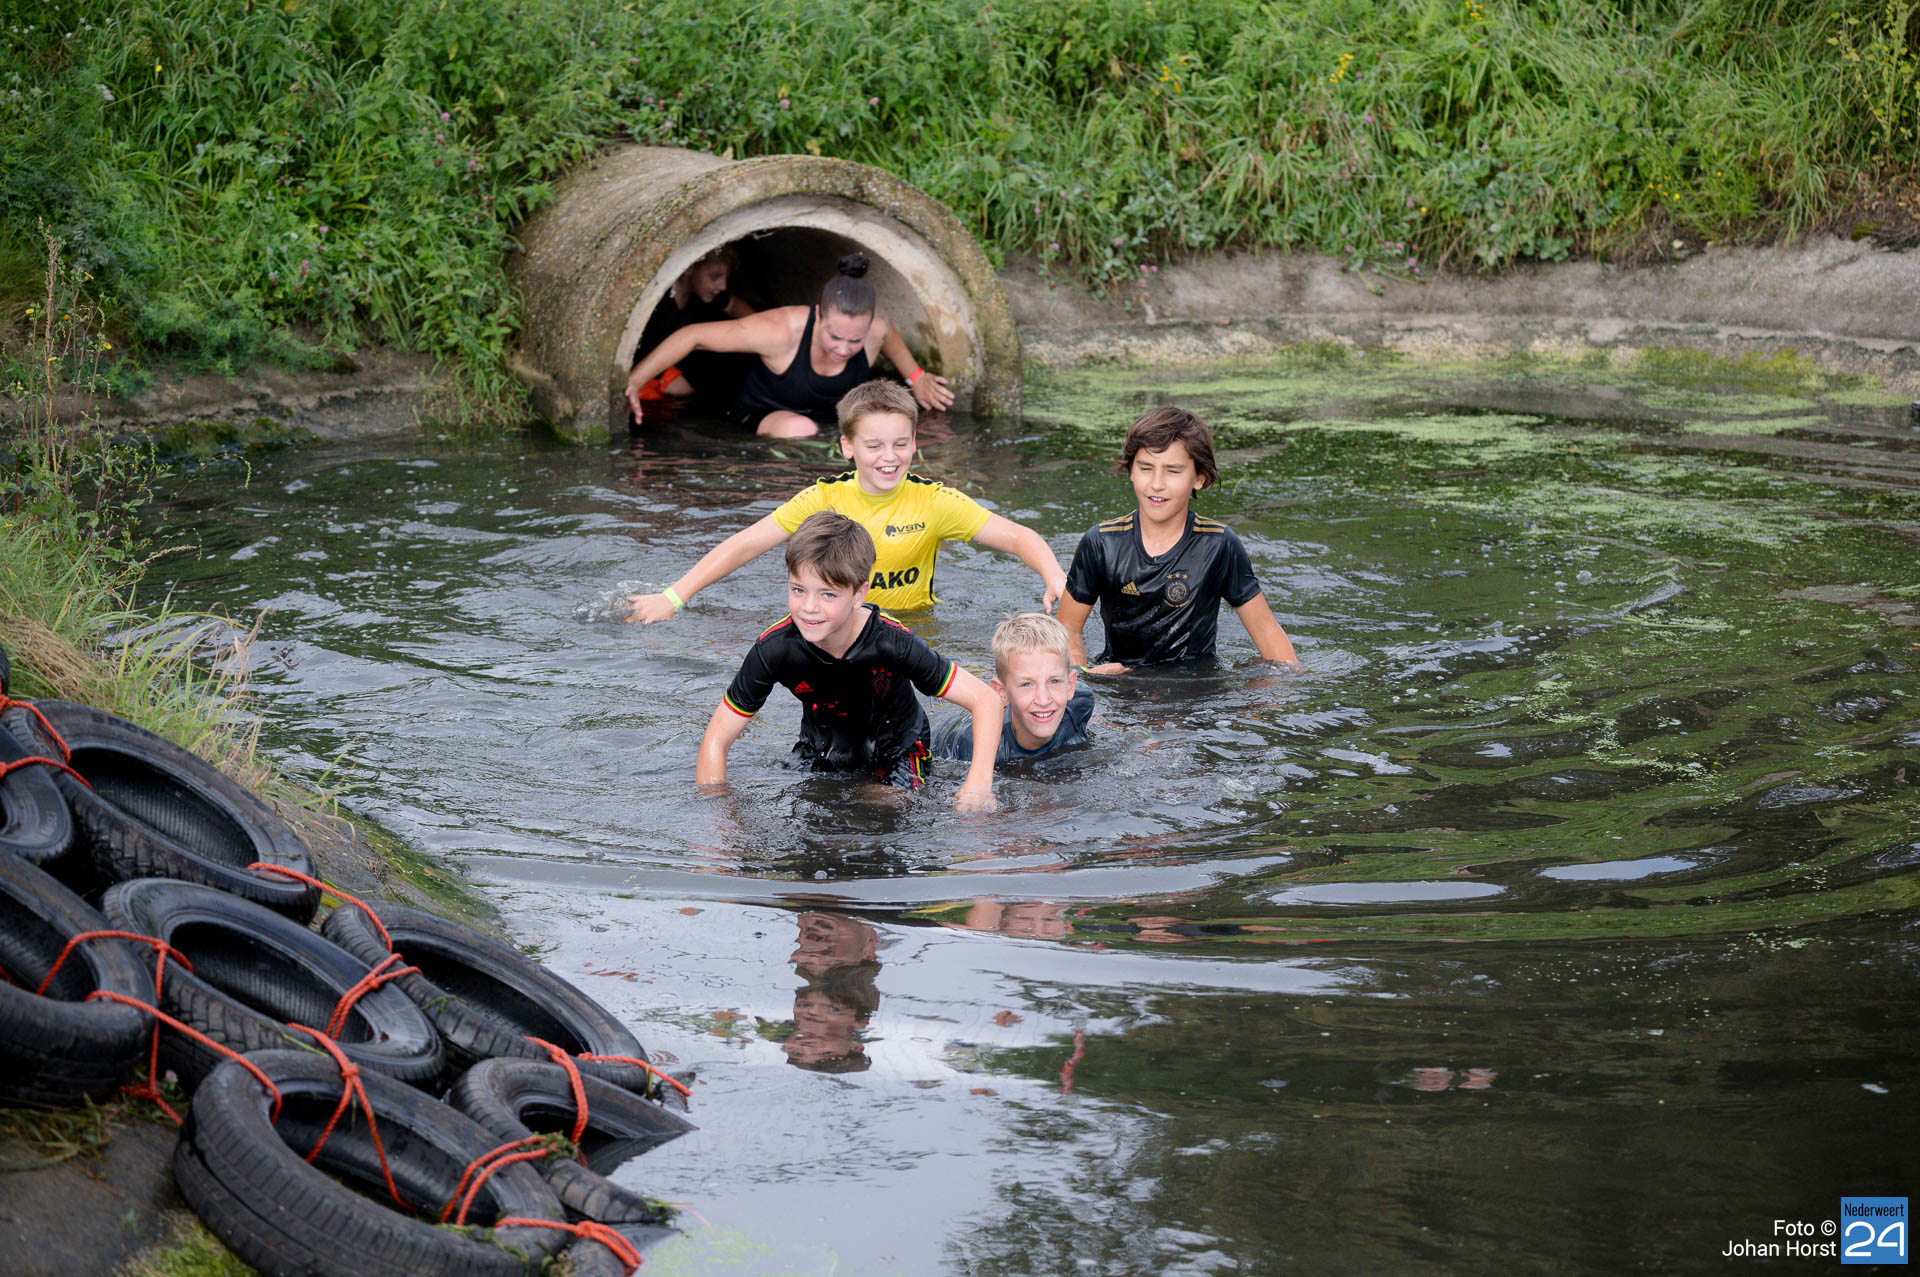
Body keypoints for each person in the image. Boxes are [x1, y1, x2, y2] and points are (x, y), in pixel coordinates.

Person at [627, 379, 1066, 621]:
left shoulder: (935, 502)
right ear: (847, 447)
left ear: (915, 443)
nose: (889, 457)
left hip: (911, 630)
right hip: (835, 628)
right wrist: (673, 597)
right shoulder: (825, 498)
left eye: (900, 444)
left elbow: (1017, 537)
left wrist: (1053, 575)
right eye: (874, 446)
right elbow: (745, 544)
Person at [695, 511, 1002, 811]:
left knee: (880, 805)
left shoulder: (891, 642)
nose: (809, 607)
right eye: (798, 590)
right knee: (802, 809)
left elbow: (985, 700)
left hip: (898, 751)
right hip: (820, 752)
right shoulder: (776, 649)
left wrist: (978, 785)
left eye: (827, 595)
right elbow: (716, 740)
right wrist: (716, 819)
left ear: (858, 594)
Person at [1058, 406, 1300, 672]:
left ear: (1199, 478)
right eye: (1146, 468)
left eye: (1173, 471)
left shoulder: (1218, 545)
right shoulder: (1101, 543)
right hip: (1120, 684)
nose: (1157, 484)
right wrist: (1081, 677)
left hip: (1197, 688)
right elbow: (1067, 628)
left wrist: (1283, 681)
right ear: (1131, 471)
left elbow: (1266, 630)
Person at [625, 253, 955, 438]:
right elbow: (693, 335)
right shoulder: (780, 330)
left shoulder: (876, 330)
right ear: (818, 316)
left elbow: (889, 336)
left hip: (830, 419)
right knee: (801, 429)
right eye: (834, 337)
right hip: (766, 415)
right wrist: (636, 381)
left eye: (854, 341)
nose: (843, 349)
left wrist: (916, 377)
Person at [929, 613, 1094, 764]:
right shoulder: (975, 744)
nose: (1043, 700)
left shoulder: (1081, 703)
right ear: (1002, 693)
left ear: (1070, 686)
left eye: (1055, 681)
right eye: (1027, 684)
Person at [629, 246, 756, 414]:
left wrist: (759, 330)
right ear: (689, 268)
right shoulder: (658, 298)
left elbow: (733, 305)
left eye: (726, 278)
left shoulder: (705, 295)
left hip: (674, 367)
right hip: (645, 368)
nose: (723, 286)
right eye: (715, 276)